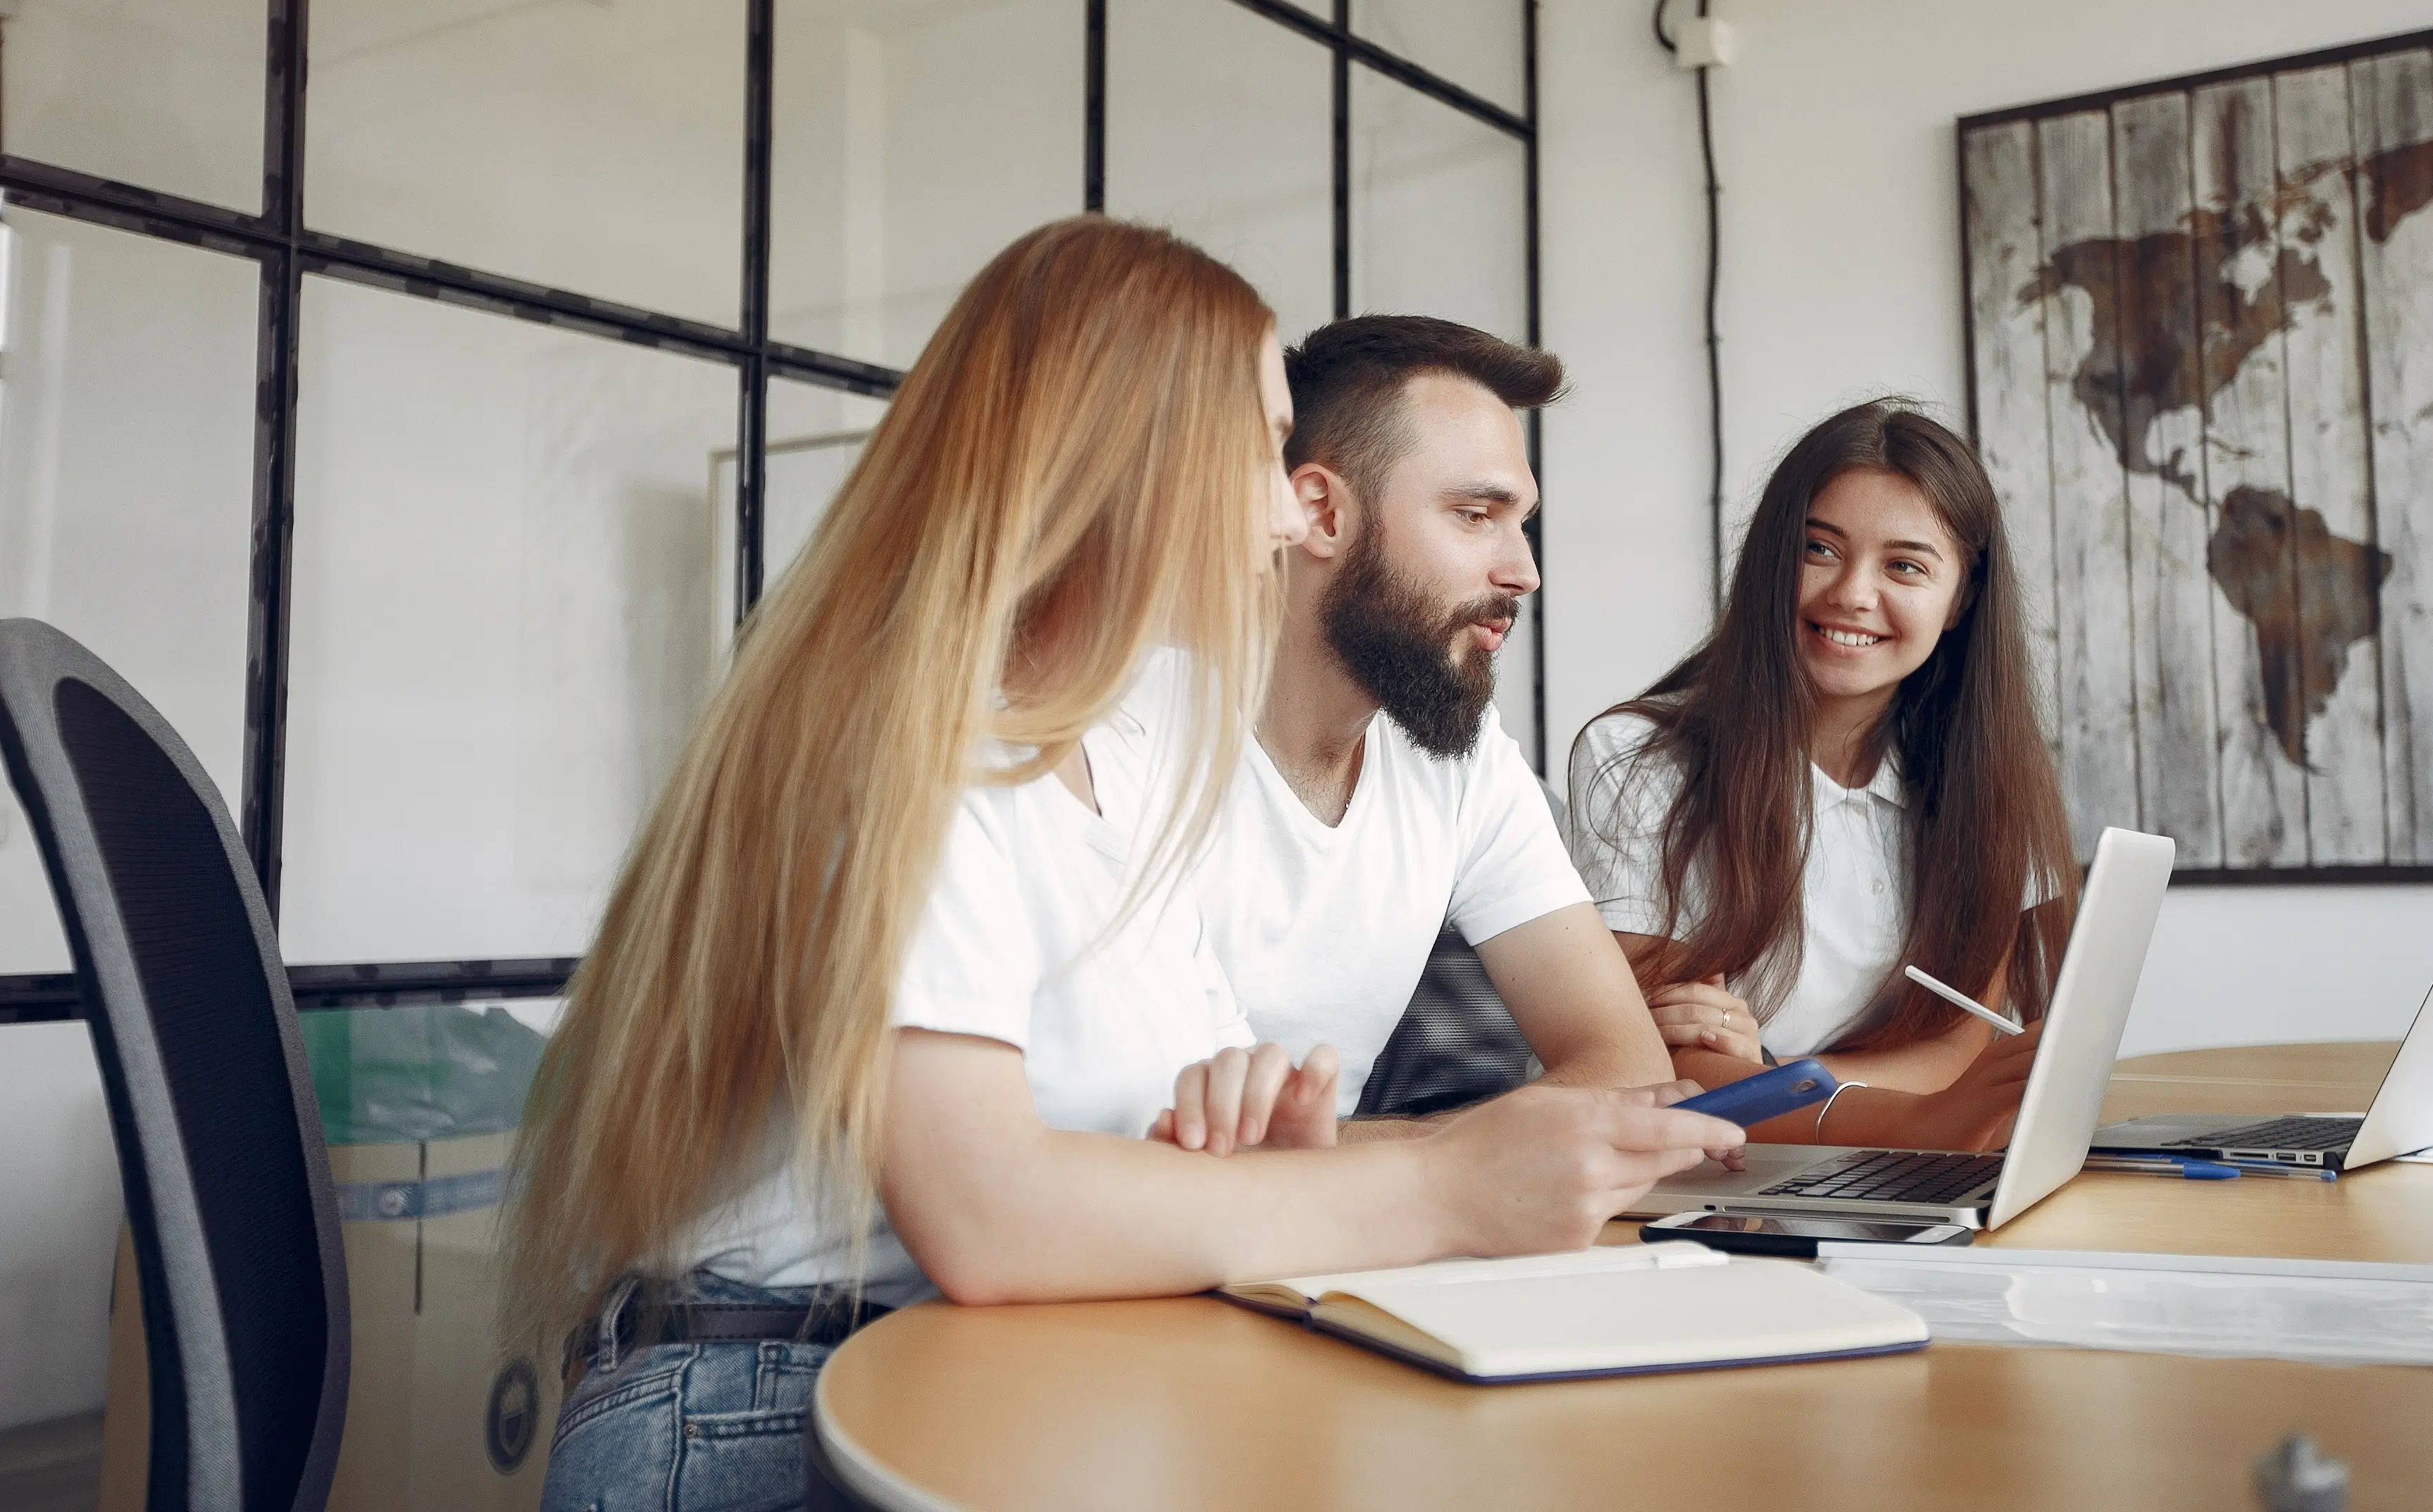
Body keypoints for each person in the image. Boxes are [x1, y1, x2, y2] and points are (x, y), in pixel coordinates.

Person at [506, 218, 1741, 1512]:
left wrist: (1266, 1148)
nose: (1287, 509)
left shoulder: (1125, 772)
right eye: (1264, 450)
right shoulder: (913, 735)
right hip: (755, 1407)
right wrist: (1436, 1181)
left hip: (962, 1373)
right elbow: (984, 1206)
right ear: (1129, 458)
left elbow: (1148, 1162)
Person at [1174, 316, 1672, 1144]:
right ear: (1322, 515)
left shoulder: (1462, 761)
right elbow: (1171, 1131)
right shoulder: (1137, 733)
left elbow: (1631, 1074)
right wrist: (1441, 1161)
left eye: (1522, 524)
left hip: (1318, 1237)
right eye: (1476, 515)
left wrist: (1377, 1158)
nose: (1523, 571)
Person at [1566, 399, 2075, 1150]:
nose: (1852, 594)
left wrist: (1776, 1072)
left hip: (1879, 1161)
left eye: (1904, 565)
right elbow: (1670, 1065)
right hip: (1693, 1176)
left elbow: (1959, 1049)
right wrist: (1911, 1106)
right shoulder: (1636, 759)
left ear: (1962, 597)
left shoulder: (1990, 780)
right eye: (1819, 549)